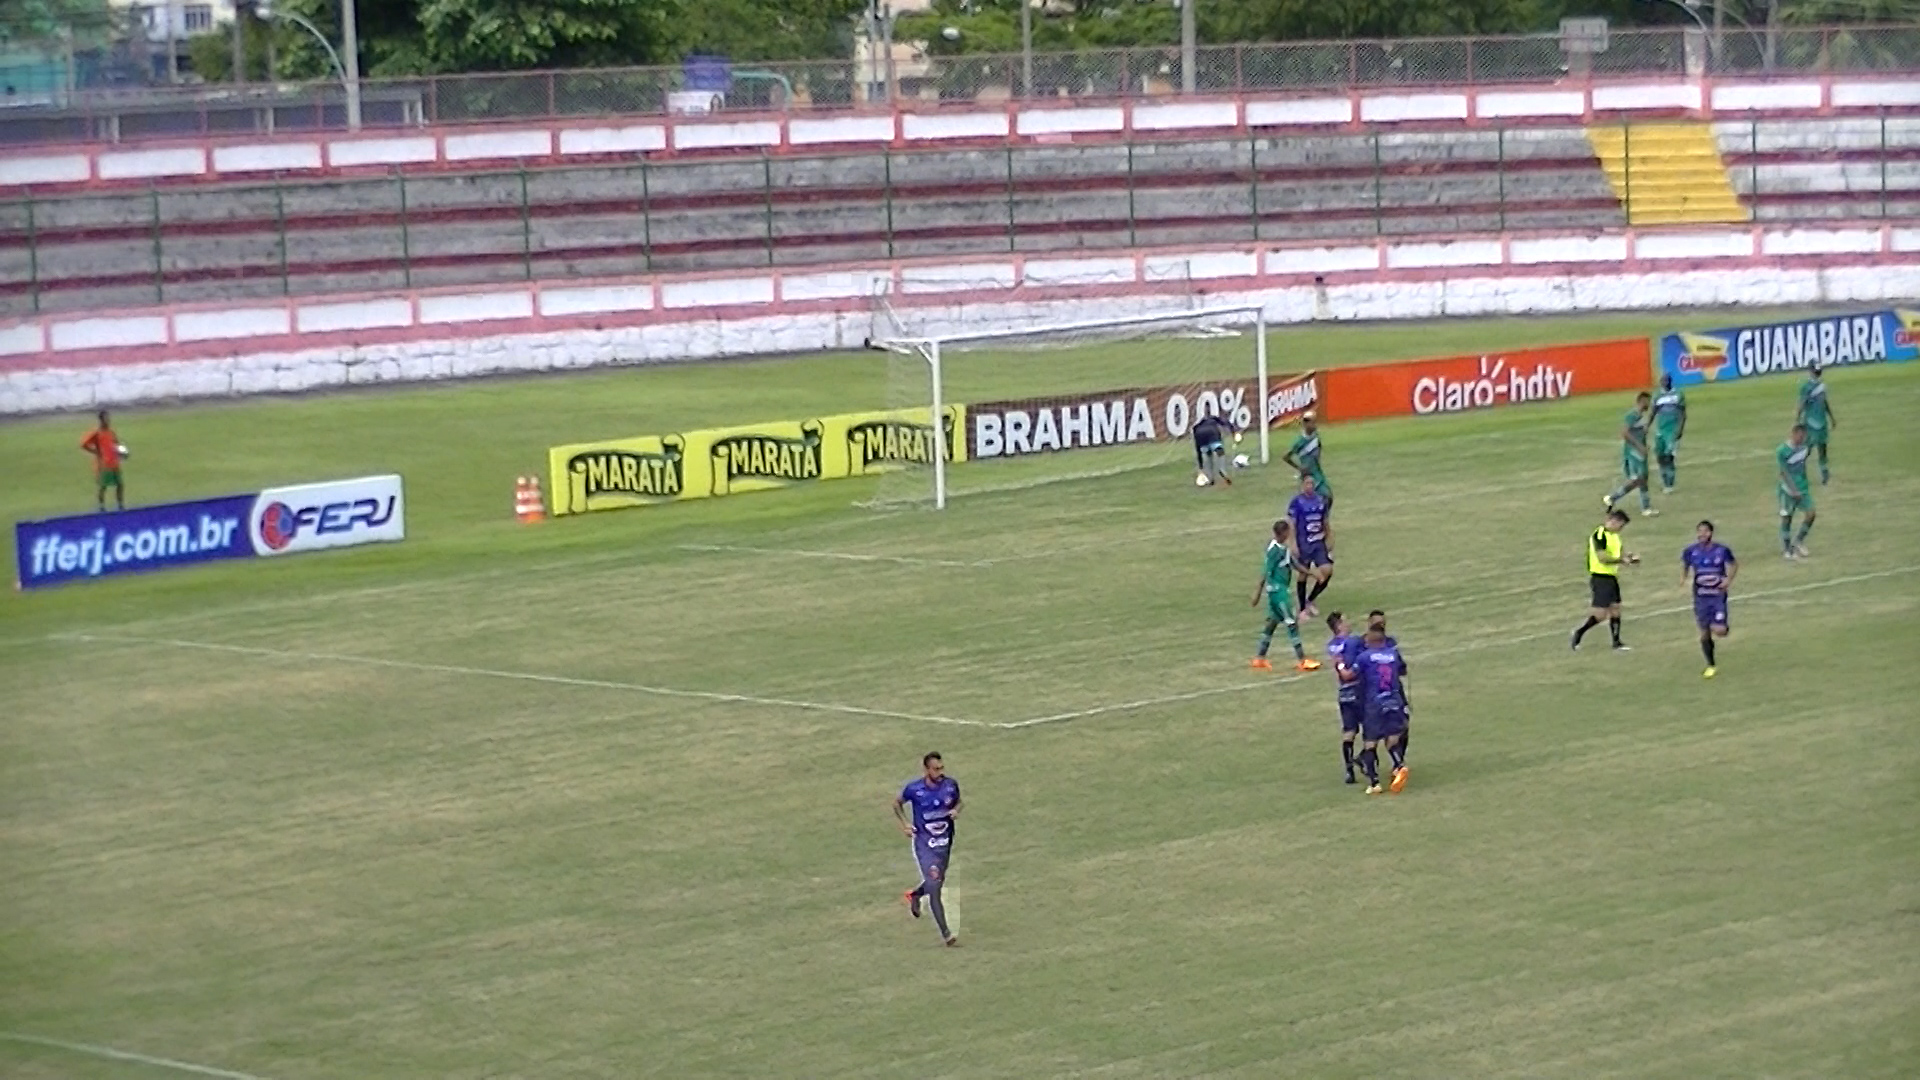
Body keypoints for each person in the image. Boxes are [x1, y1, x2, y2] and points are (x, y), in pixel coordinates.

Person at [893, 752, 962, 947]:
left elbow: (959, 801)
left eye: (942, 768)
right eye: (936, 769)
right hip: (925, 844)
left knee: (936, 882)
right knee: (934, 885)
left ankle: (915, 895)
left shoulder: (950, 785)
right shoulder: (915, 789)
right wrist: (905, 824)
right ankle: (947, 934)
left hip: (945, 843)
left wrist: (957, 810)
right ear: (926, 770)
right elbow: (896, 803)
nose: (940, 772)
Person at [1250, 519, 1321, 673]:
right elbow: (1265, 572)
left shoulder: (1283, 549)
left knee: (1272, 623)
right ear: (1282, 533)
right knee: (1291, 623)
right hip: (1278, 591)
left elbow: (1294, 564)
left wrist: (1311, 574)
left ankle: (1259, 658)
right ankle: (1302, 660)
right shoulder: (1274, 550)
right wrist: (1257, 593)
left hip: (1277, 591)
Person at [1352, 611, 1410, 795]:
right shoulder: (1392, 653)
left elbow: (1350, 676)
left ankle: (1375, 783)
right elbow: (1403, 670)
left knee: (1370, 742)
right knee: (1392, 738)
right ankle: (1399, 765)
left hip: (1373, 702)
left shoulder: (1365, 657)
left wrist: (1338, 666)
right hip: (1393, 699)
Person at [1572, 509, 1638, 652]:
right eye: (1621, 525)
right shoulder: (1599, 535)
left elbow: (1620, 553)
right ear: (1614, 521)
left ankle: (1616, 642)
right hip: (1600, 577)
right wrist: (1621, 560)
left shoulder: (1615, 536)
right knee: (1600, 615)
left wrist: (1629, 558)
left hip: (1611, 577)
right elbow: (1602, 558)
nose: (1621, 529)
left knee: (1616, 609)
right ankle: (1579, 632)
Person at [1681, 520, 1737, 679]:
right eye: (1699, 531)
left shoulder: (1722, 550)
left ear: (1711, 533)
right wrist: (1684, 580)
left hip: (1717, 596)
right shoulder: (1690, 551)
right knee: (1704, 633)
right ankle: (1711, 665)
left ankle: (1721, 626)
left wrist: (1728, 580)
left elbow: (1734, 564)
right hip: (1701, 597)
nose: (1702, 534)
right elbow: (1685, 566)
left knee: (1720, 631)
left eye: (1705, 531)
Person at [1287, 473, 1334, 617]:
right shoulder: (1296, 502)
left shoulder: (1321, 501)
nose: (1310, 486)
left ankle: (1310, 599)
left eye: (1312, 484)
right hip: (1304, 542)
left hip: (1318, 542)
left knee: (1327, 570)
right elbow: (1292, 524)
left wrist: (1330, 537)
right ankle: (1302, 609)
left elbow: (1325, 521)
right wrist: (1293, 543)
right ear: (1302, 485)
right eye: (1307, 483)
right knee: (1303, 574)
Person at [1326, 612, 1365, 785]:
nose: (1349, 623)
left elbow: (1338, 661)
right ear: (1339, 625)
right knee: (1376, 726)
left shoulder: (1332, 646)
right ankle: (1363, 758)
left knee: (1349, 731)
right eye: (1346, 620)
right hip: (1360, 689)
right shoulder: (1354, 642)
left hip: (1344, 692)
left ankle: (1349, 771)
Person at [1605, 392, 1656, 517]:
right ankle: (1614, 498)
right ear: (1642, 401)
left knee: (1642, 479)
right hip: (1634, 452)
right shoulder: (1632, 415)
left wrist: (1645, 444)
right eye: (1648, 401)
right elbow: (1625, 433)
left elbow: (1639, 432)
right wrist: (1639, 447)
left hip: (1640, 451)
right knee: (1639, 478)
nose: (1649, 404)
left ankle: (1645, 507)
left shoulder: (1641, 416)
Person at [1778, 423, 1816, 558]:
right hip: (1787, 490)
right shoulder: (1782, 451)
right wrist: (1793, 490)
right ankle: (1787, 548)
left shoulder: (1804, 448)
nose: (1802, 439)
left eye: (1803, 437)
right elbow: (1784, 473)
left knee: (1811, 514)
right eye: (1800, 436)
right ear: (1793, 434)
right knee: (1787, 517)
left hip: (1803, 487)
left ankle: (1798, 541)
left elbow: (1804, 460)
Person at [1795, 362, 1836, 485]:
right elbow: (1824, 403)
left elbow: (1802, 403)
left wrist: (1797, 418)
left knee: (1807, 449)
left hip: (1811, 422)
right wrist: (1831, 418)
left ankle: (1800, 472)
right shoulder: (1821, 386)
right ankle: (1823, 472)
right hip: (1821, 422)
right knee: (1821, 449)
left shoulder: (1806, 386)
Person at [79, 410, 126, 511]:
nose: (108, 420)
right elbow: (83, 444)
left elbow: (116, 444)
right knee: (103, 486)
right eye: (106, 418)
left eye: (109, 418)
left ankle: (120, 505)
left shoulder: (111, 432)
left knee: (120, 484)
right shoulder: (97, 433)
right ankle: (101, 506)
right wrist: (95, 451)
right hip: (104, 464)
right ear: (101, 420)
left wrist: (121, 452)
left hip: (114, 462)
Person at [1282, 411, 1331, 505]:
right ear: (1305, 424)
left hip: (1317, 471)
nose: (1314, 425)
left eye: (1315, 422)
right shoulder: (1299, 441)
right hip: (1308, 475)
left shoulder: (1315, 436)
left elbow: (1318, 446)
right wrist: (1299, 468)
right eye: (1312, 422)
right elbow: (1286, 456)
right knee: (1320, 497)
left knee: (1327, 497)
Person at [1651, 374, 1688, 493]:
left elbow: (1683, 414)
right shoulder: (1658, 396)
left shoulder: (1678, 395)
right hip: (1660, 431)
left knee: (1669, 457)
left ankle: (1670, 484)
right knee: (1660, 456)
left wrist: (1680, 429)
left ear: (1670, 381)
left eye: (1665, 380)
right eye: (1662, 381)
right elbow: (1653, 412)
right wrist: (1647, 425)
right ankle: (1664, 480)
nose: (1663, 382)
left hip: (1672, 431)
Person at [1191, 411, 1241, 487]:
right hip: (1212, 433)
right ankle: (1222, 469)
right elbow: (1226, 423)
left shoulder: (1197, 426)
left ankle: (1210, 478)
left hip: (1200, 435)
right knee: (1219, 451)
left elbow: (1198, 449)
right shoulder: (1214, 419)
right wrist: (1234, 431)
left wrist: (1200, 467)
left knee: (1208, 454)